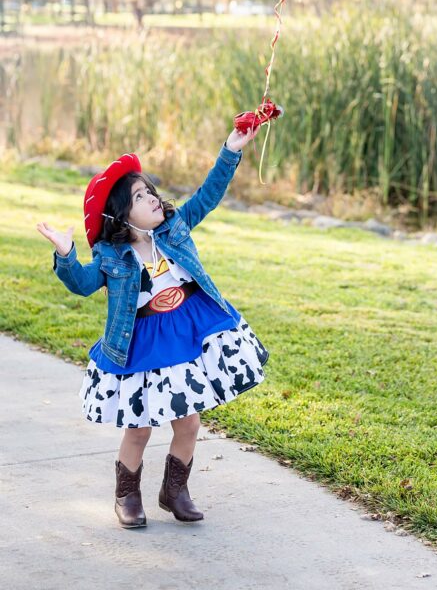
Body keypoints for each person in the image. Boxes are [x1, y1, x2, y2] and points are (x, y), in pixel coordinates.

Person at [36, 128, 268, 530]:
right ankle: (127, 495)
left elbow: (208, 195)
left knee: (190, 421)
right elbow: (83, 284)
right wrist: (65, 254)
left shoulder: (175, 227)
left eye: (151, 191)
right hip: (141, 343)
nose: (153, 198)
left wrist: (231, 149)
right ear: (121, 215)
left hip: (185, 332)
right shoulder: (113, 255)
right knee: (139, 427)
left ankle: (175, 491)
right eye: (140, 197)